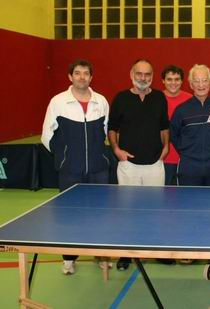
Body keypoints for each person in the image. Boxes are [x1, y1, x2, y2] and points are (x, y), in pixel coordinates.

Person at [41, 59, 111, 275]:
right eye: (78, 73)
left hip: (98, 170)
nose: (82, 77)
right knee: (70, 216)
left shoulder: (101, 101)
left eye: (86, 73)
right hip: (70, 171)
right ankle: (69, 258)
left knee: (100, 215)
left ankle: (101, 255)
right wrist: (64, 157)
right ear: (70, 77)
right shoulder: (58, 102)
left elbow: (106, 131)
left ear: (91, 77)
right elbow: (47, 135)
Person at [108, 59, 170, 271]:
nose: (143, 77)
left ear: (152, 76)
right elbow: (112, 128)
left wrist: (166, 146)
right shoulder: (121, 98)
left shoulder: (159, 97)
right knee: (128, 211)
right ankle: (126, 253)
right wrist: (116, 150)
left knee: (155, 210)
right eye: (139, 73)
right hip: (129, 166)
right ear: (132, 74)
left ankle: (156, 251)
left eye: (147, 74)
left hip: (154, 164)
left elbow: (164, 126)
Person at [170, 64, 210, 186]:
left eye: (205, 80)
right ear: (191, 84)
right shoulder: (181, 109)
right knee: (188, 203)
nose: (201, 85)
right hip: (189, 167)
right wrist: (187, 152)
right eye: (196, 81)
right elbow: (174, 135)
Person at [161, 65, 192, 185]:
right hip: (162, 159)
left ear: (182, 81)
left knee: (184, 198)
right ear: (163, 81)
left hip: (185, 160)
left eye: (177, 79)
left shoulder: (190, 100)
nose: (173, 83)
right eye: (169, 79)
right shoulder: (156, 99)